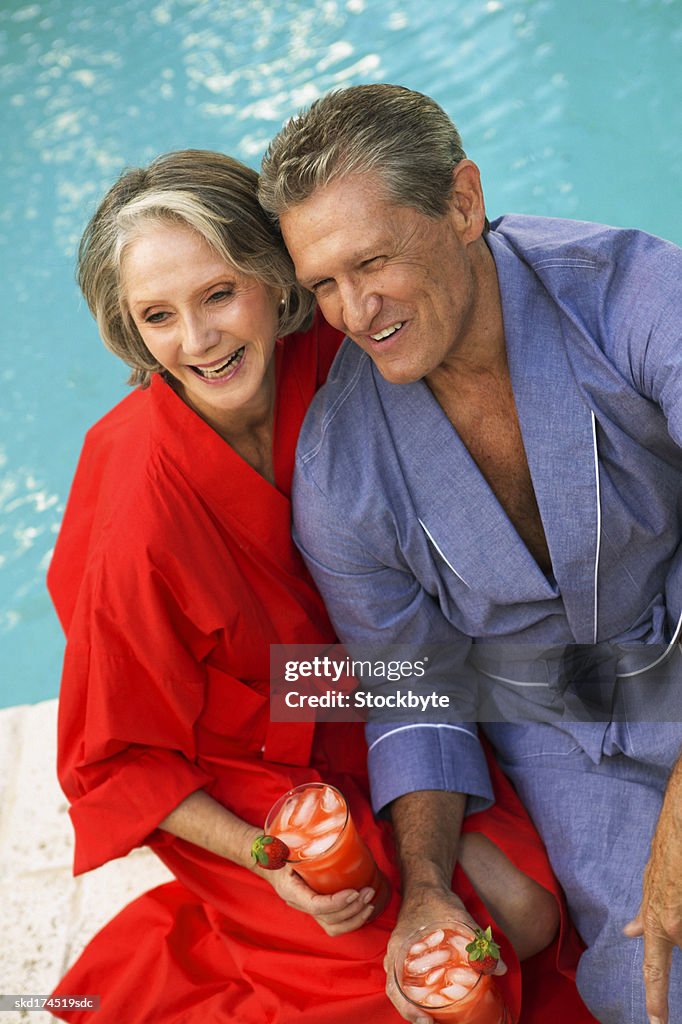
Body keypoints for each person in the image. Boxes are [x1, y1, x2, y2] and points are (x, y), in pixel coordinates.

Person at [46, 149, 590, 1024]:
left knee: (528, 912)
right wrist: (268, 857)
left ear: (273, 276)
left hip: (385, 684)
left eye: (219, 294)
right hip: (248, 776)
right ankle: (197, 949)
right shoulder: (134, 516)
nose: (199, 341)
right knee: (443, 982)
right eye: (157, 316)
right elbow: (114, 759)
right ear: (130, 329)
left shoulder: (340, 355)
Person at [258, 84, 682, 1024]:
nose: (356, 312)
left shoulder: (639, 294)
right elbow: (414, 689)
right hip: (559, 737)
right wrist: (425, 886)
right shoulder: (340, 469)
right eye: (324, 283)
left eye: (372, 260)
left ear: (460, 203)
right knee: (652, 983)